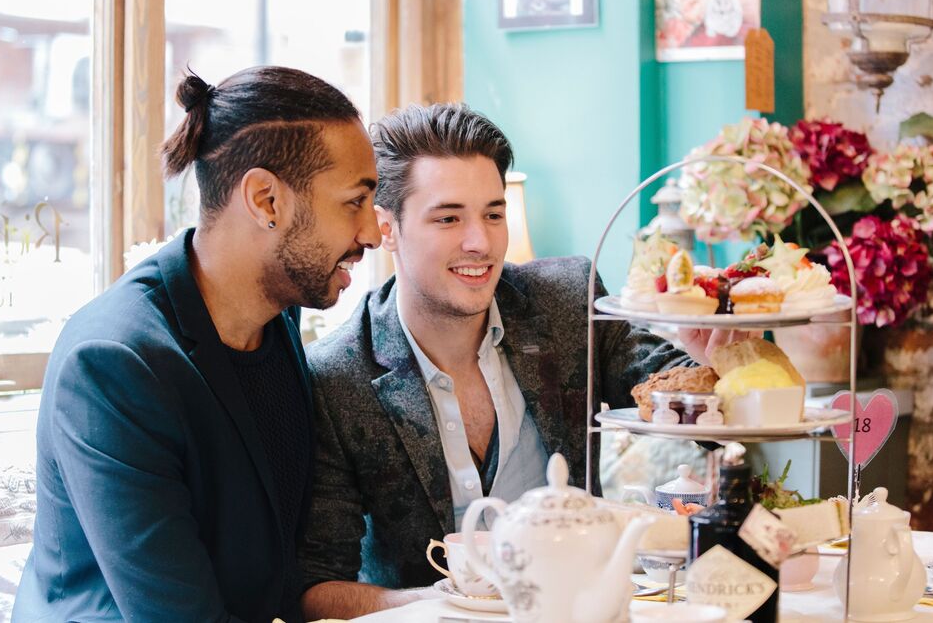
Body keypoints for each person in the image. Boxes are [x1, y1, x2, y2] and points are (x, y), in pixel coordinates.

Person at [298, 103, 739, 620]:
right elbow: (316, 588)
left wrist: (724, 359)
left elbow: (695, 413)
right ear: (386, 227)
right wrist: (442, 601)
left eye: (492, 213)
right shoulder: (337, 377)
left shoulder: (568, 303)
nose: (479, 242)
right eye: (447, 218)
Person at [14, 66, 380, 622]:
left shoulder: (276, 323)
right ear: (265, 200)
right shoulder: (113, 363)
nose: (373, 233)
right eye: (354, 201)